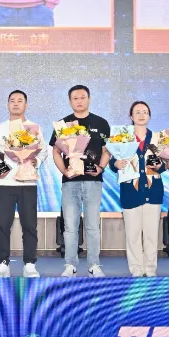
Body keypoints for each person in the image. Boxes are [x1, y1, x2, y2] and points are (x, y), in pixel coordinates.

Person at [50, 85, 110, 277]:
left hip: (93, 181)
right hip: (70, 182)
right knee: (70, 226)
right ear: (70, 101)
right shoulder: (63, 124)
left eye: (83, 97)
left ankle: (94, 265)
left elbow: (106, 150)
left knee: (92, 226)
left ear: (89, 99)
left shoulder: (101, 123)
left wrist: (101, 168)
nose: (79, 101)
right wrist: (64, 171)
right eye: (75, 98)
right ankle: (70, 265)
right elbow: (56, 151)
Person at [0, 90, 47, 279]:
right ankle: (2, 264)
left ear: (26, 105)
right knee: (2, 225)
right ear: (7, 105)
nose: (16, 104)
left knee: (29, 225)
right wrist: (0, 170)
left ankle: (29, 264)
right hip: (5, 183)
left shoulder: (34, 128)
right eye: (12, 100)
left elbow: (43, 151)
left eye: (20, 100)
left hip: (28, 183)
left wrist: (35, 162)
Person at [109, 101, 164, 277]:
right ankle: (136, 268)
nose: (141, 115)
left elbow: (165, 164)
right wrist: (115, 164)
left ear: (149, 116)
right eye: (137, 112)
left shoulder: (157, 138)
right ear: (131, 116)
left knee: (151, 234)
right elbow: (113, 161)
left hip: (153, 191)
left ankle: (150, 268)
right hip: (130, 191)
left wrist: (160, 166)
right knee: (132, 234)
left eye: (145, 112)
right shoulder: (122, 137)